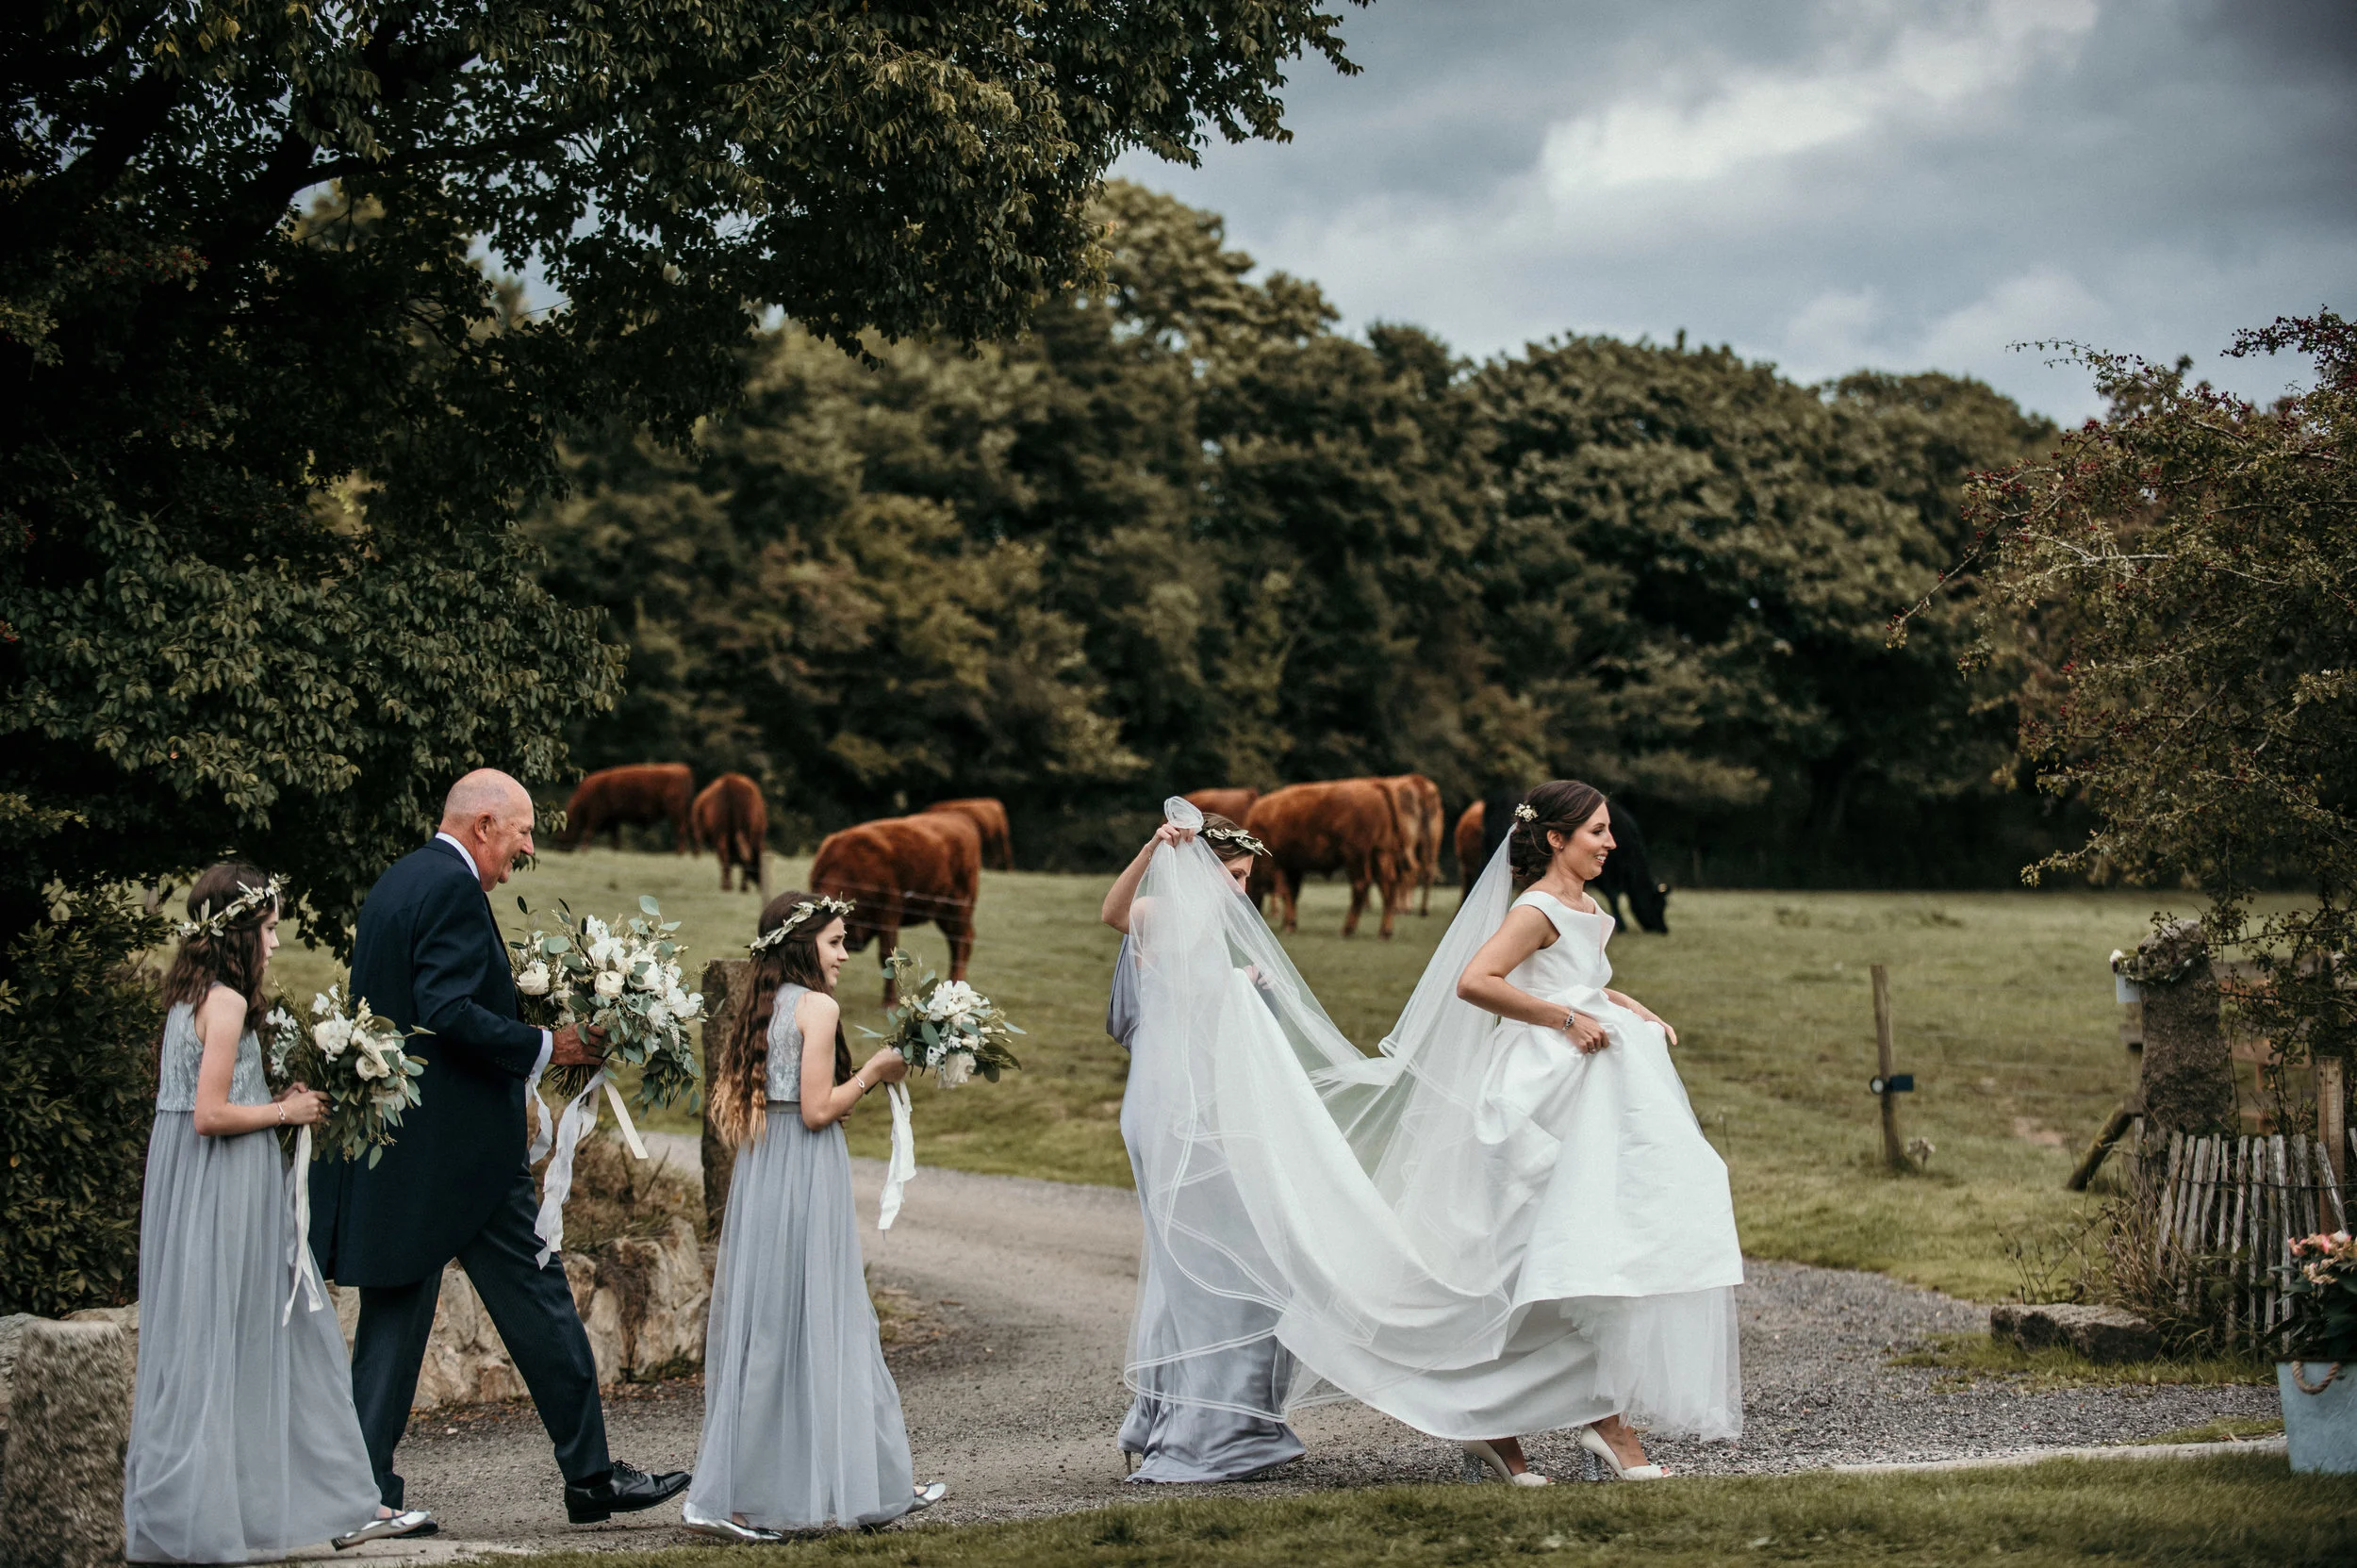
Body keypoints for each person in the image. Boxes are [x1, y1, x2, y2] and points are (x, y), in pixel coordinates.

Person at [1119, 789, 1740, 1488]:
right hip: (1537, 1088)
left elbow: (1578, 977)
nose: (1612, 842)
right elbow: (1478, 981)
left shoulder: (1590, 909)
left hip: (1581, 1090)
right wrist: (1565, 1018)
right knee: (1528, 1261)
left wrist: (1618, 1003)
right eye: (1598, 831)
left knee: (1580, 1253)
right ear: (1559, 838)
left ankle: (1581, 1420)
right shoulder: (1534, 907)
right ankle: (1532, 1422)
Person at [308, 770, 689, 1523]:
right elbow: (446, 1008)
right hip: (462, 1156)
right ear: (483, 825)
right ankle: (590, 1477)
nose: (528, 844)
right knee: (539, 1301)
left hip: (405, 1148)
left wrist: (525, 1004)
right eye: (521, 830)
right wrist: (550, 1042)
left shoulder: (399, 881)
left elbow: (427, 998)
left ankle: (358, 1490)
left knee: (398, 1311)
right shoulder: (452, 889)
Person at [125, 864, 433, 1561]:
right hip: (222, 1186)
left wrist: (275, 1099)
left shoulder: (189, 997)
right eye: (266, 927)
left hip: (195, 1186)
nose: (273, 941)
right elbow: (208, 1113)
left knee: (209, 1343)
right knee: (268, 1333)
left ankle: (253, 1503)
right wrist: (284, 1110)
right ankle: (336, 1498)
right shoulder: (228, 1002)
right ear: (236, 933)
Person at [686, 891, 945, 1541]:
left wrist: (839, 1089)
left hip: (766, 1171)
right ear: (804, 944)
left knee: (771, 1329)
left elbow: (790, 1098)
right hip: (804, 1169)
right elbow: (816, 1110)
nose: (845, 954)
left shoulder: (766, 1005)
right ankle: (764, 1497)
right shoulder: (819, 1008)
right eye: (834, 941)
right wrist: (880, 1070)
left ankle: (853, 1486)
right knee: (836, 1318)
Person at [1101, 815, 1308, 1482]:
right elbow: (1113, 912)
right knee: (1216, 1268)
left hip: (1199, 1107)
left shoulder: (1210, 928)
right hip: (1178, 1116)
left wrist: (1240, 986)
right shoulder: (1164, 912)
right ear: (1203, 867)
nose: (1243, 891)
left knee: (1198, 1270)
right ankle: (1208, 1432)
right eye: (1237, 874)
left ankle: (1193, 1420)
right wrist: (1153, 847)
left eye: (1249, 878)